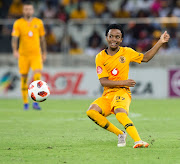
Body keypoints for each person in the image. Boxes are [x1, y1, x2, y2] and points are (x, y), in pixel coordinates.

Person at [86, 24, 170, 148]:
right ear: (106, 37)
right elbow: (103, 81)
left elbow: (145, 58)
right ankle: (120, 134)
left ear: (121, 39)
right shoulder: (100, 57)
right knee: (91, 112)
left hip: (122, 92)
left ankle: (138, 140)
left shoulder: (127, 52)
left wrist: (160, 42)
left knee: (120, 113)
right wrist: (124, 82)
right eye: (111, 36)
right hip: (108, 95)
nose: (113, 39)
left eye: (117, 37)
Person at [11, 1, 47, 110]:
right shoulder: (18, 23)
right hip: (23, 55)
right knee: (24, 79)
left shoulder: (38, 22)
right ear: (23, 10)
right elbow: (14, 38)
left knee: (37, 77)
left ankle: (36, 102)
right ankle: (25, 103)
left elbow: (42, 39)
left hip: (36, 54)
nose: (28, 11)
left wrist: (44, 53)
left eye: (30, 9)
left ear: (33, 10)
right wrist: (15, 50)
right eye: (26, 9)